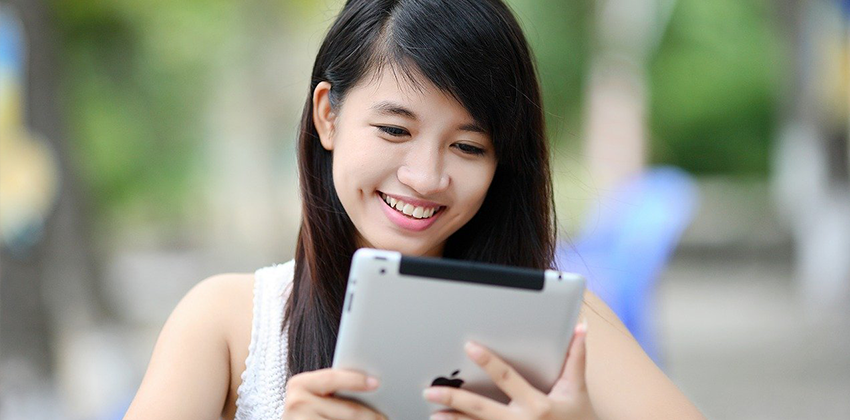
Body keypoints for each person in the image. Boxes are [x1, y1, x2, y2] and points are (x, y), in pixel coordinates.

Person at [124, 1, 707, 419]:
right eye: (394, 129)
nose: (426, 176)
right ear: (328, 115)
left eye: (469, 146)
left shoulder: (562, 327)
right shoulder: (228, 325)